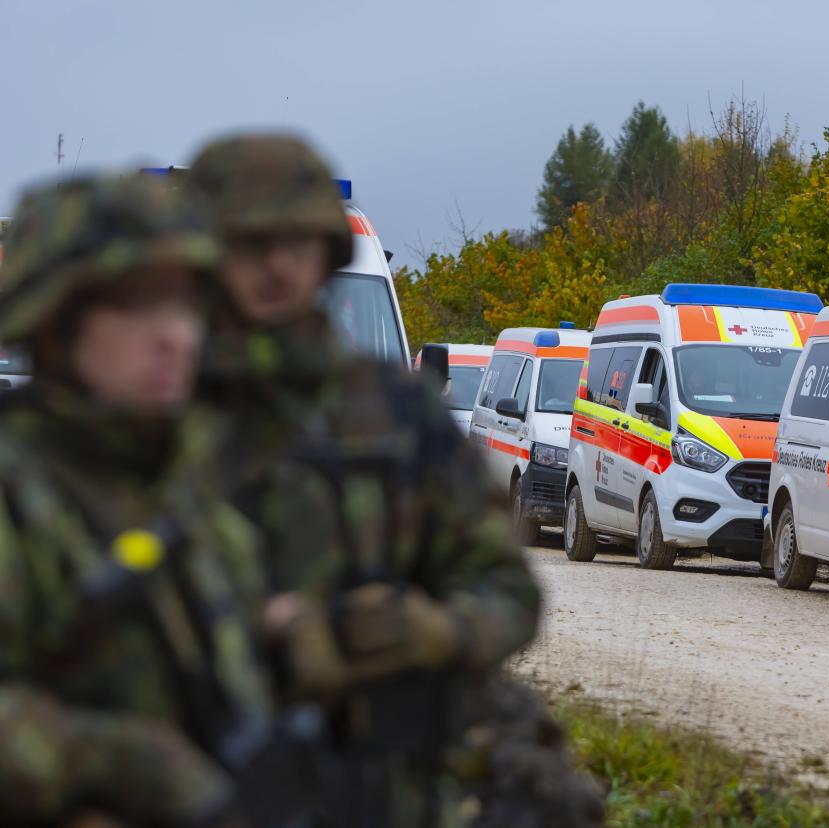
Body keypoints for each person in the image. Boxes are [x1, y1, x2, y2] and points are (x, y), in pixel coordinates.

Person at [185, 134, 601, 827]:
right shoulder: (157, 413)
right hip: (198, 757)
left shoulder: (398, 416)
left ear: (324, 254)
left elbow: (507, 588)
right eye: (248, 241)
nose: (275, 263)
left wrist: (438, 631)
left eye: (295, 240)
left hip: (382, 768)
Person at [0, 174, 318, 827]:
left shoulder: (186, 484)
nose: (175, 335)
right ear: (54, 323)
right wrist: (109, 759)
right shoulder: (19, 487)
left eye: (183, 304)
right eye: (138, 305)